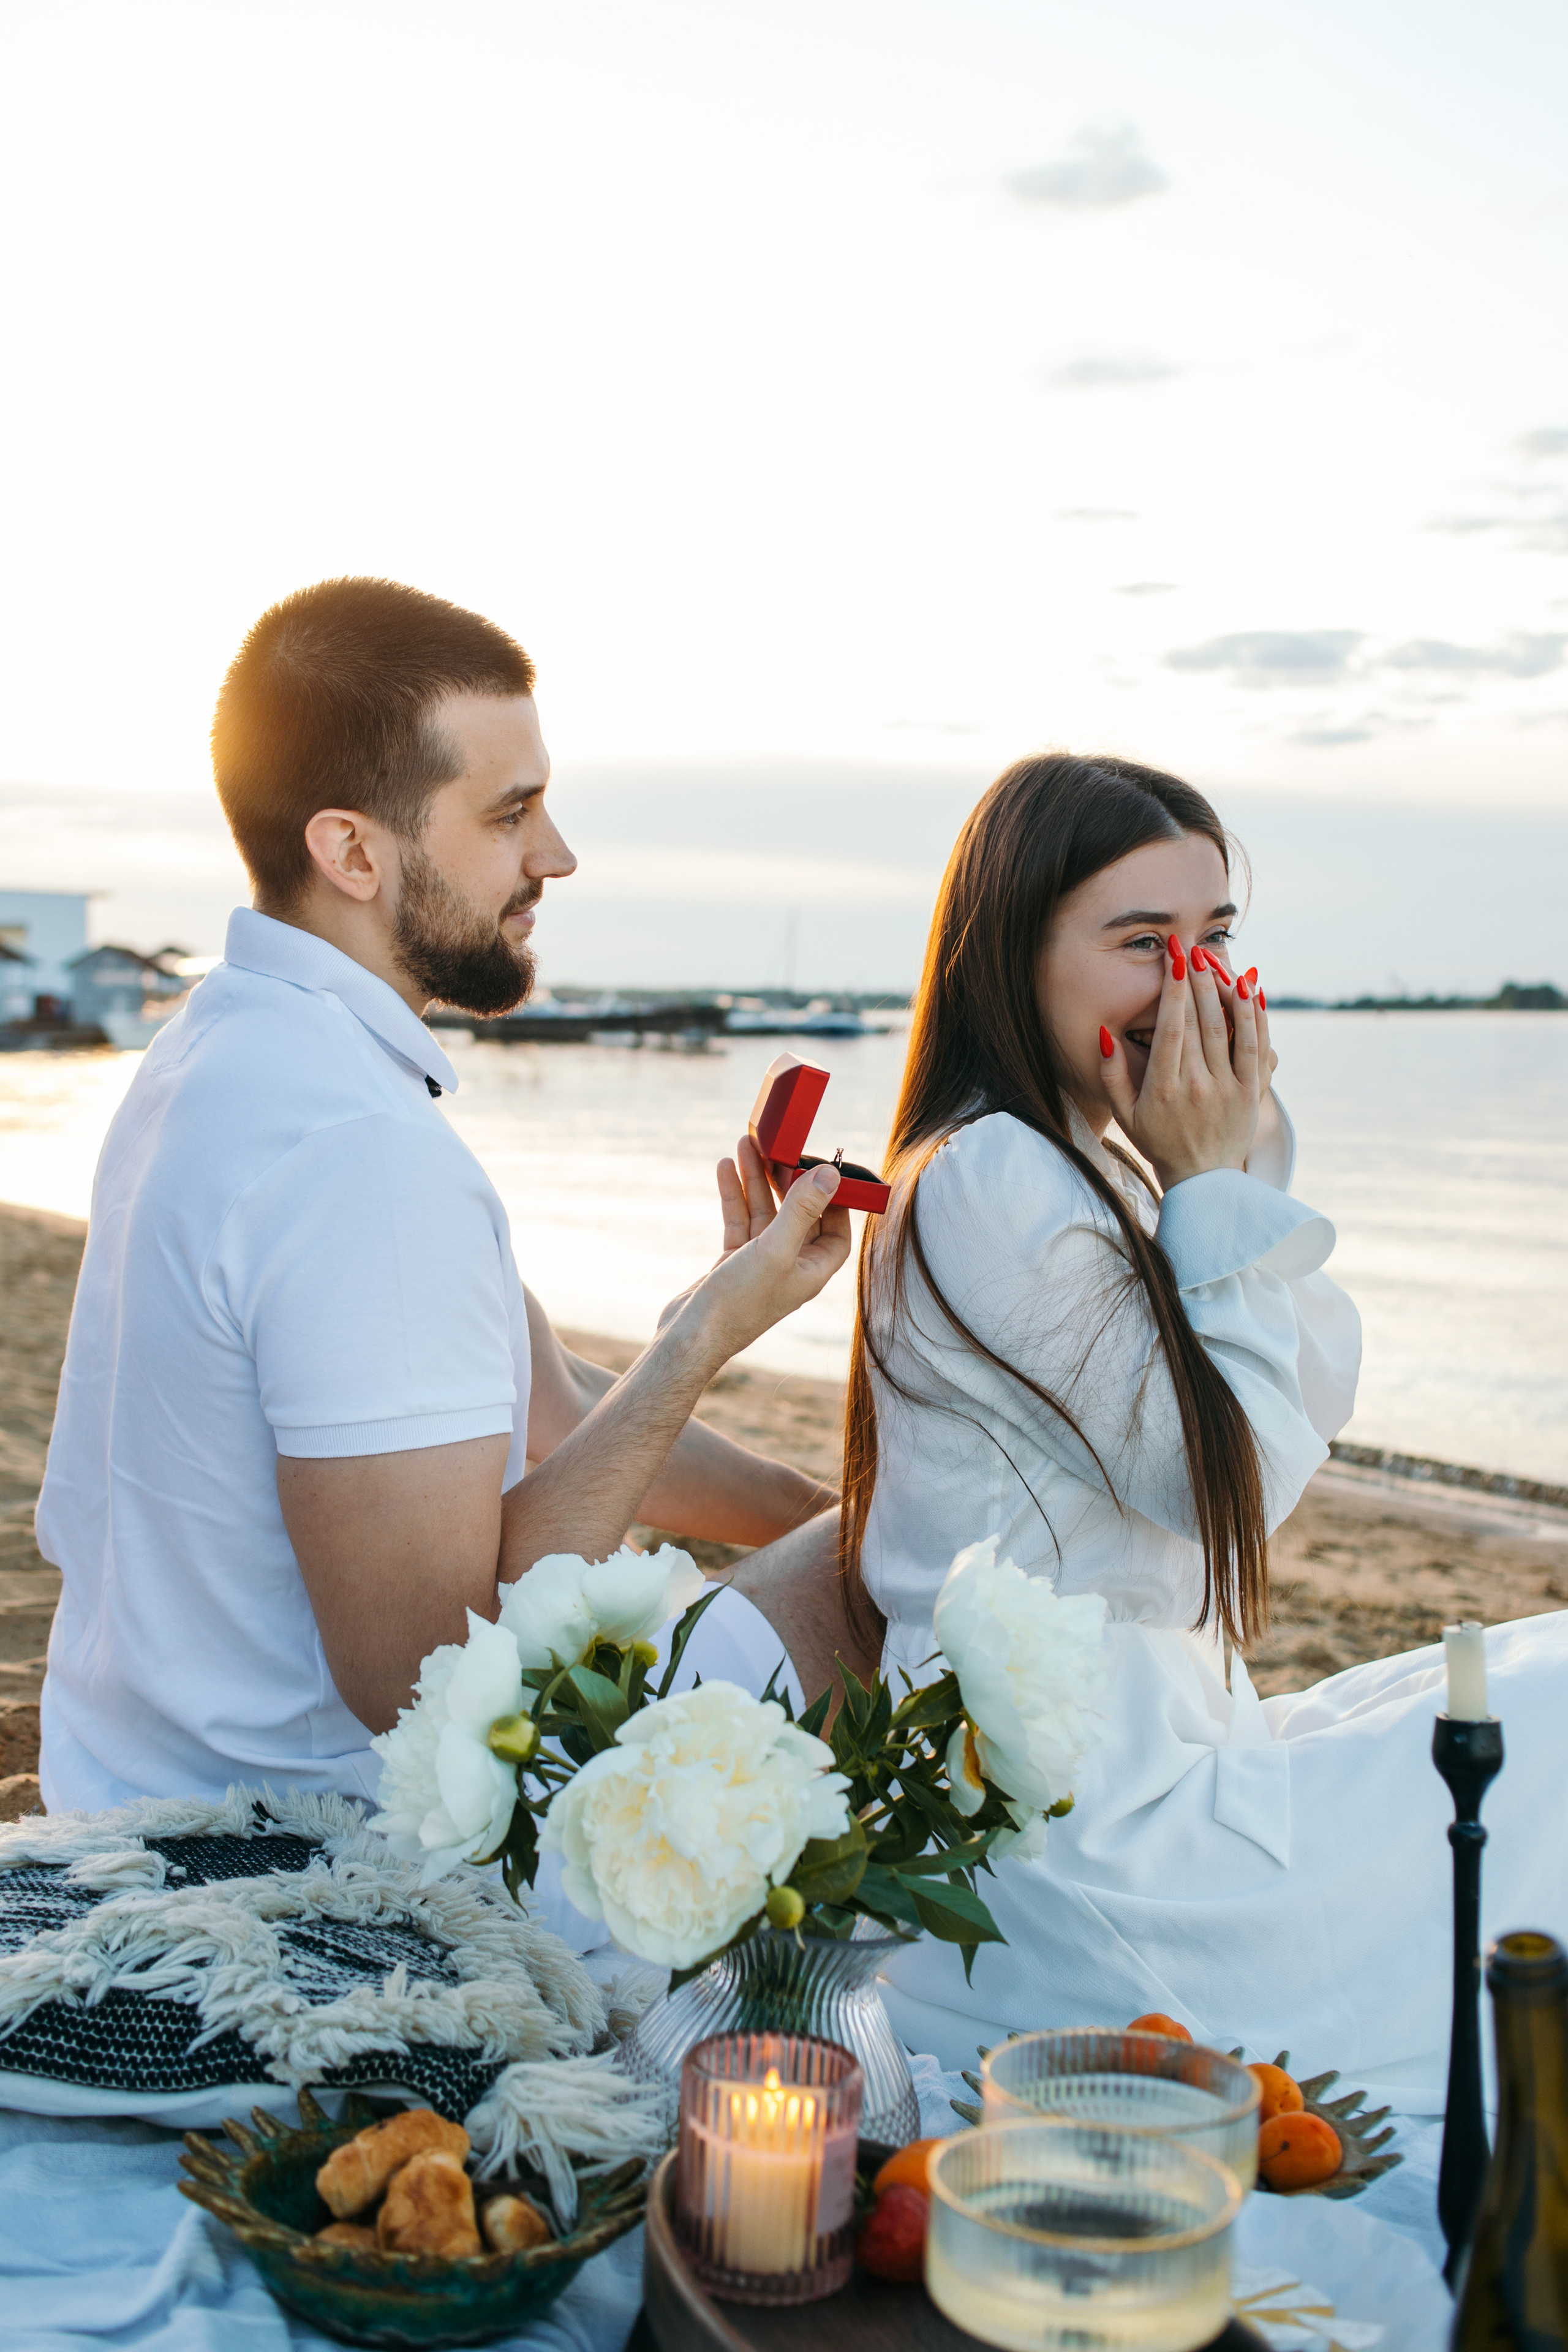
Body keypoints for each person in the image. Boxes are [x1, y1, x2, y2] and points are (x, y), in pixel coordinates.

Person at [37, 576, 859, 1815]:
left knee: (848, 1551)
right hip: (305, 1835)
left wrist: (823, 1514)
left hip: (137, 1768)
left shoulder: (224, 1047)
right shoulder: (358, 1156)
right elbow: (426, 1675)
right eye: (509, 813)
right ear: (352, 849)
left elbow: (553, 1406)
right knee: (884, 1618)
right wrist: (701, 1344)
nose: (557, 856)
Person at [843, 752, 1568, 2103]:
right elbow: (1226, 1482)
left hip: (1152, 1759)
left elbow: (1307, 1393)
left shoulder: (1083, 1166)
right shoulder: (994, 1173)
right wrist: (1210, 1185)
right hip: (1096, 1845)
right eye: (1140, 943)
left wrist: (1224, 1178)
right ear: (1013, 952)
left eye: (1213, 939)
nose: (1189, 986)